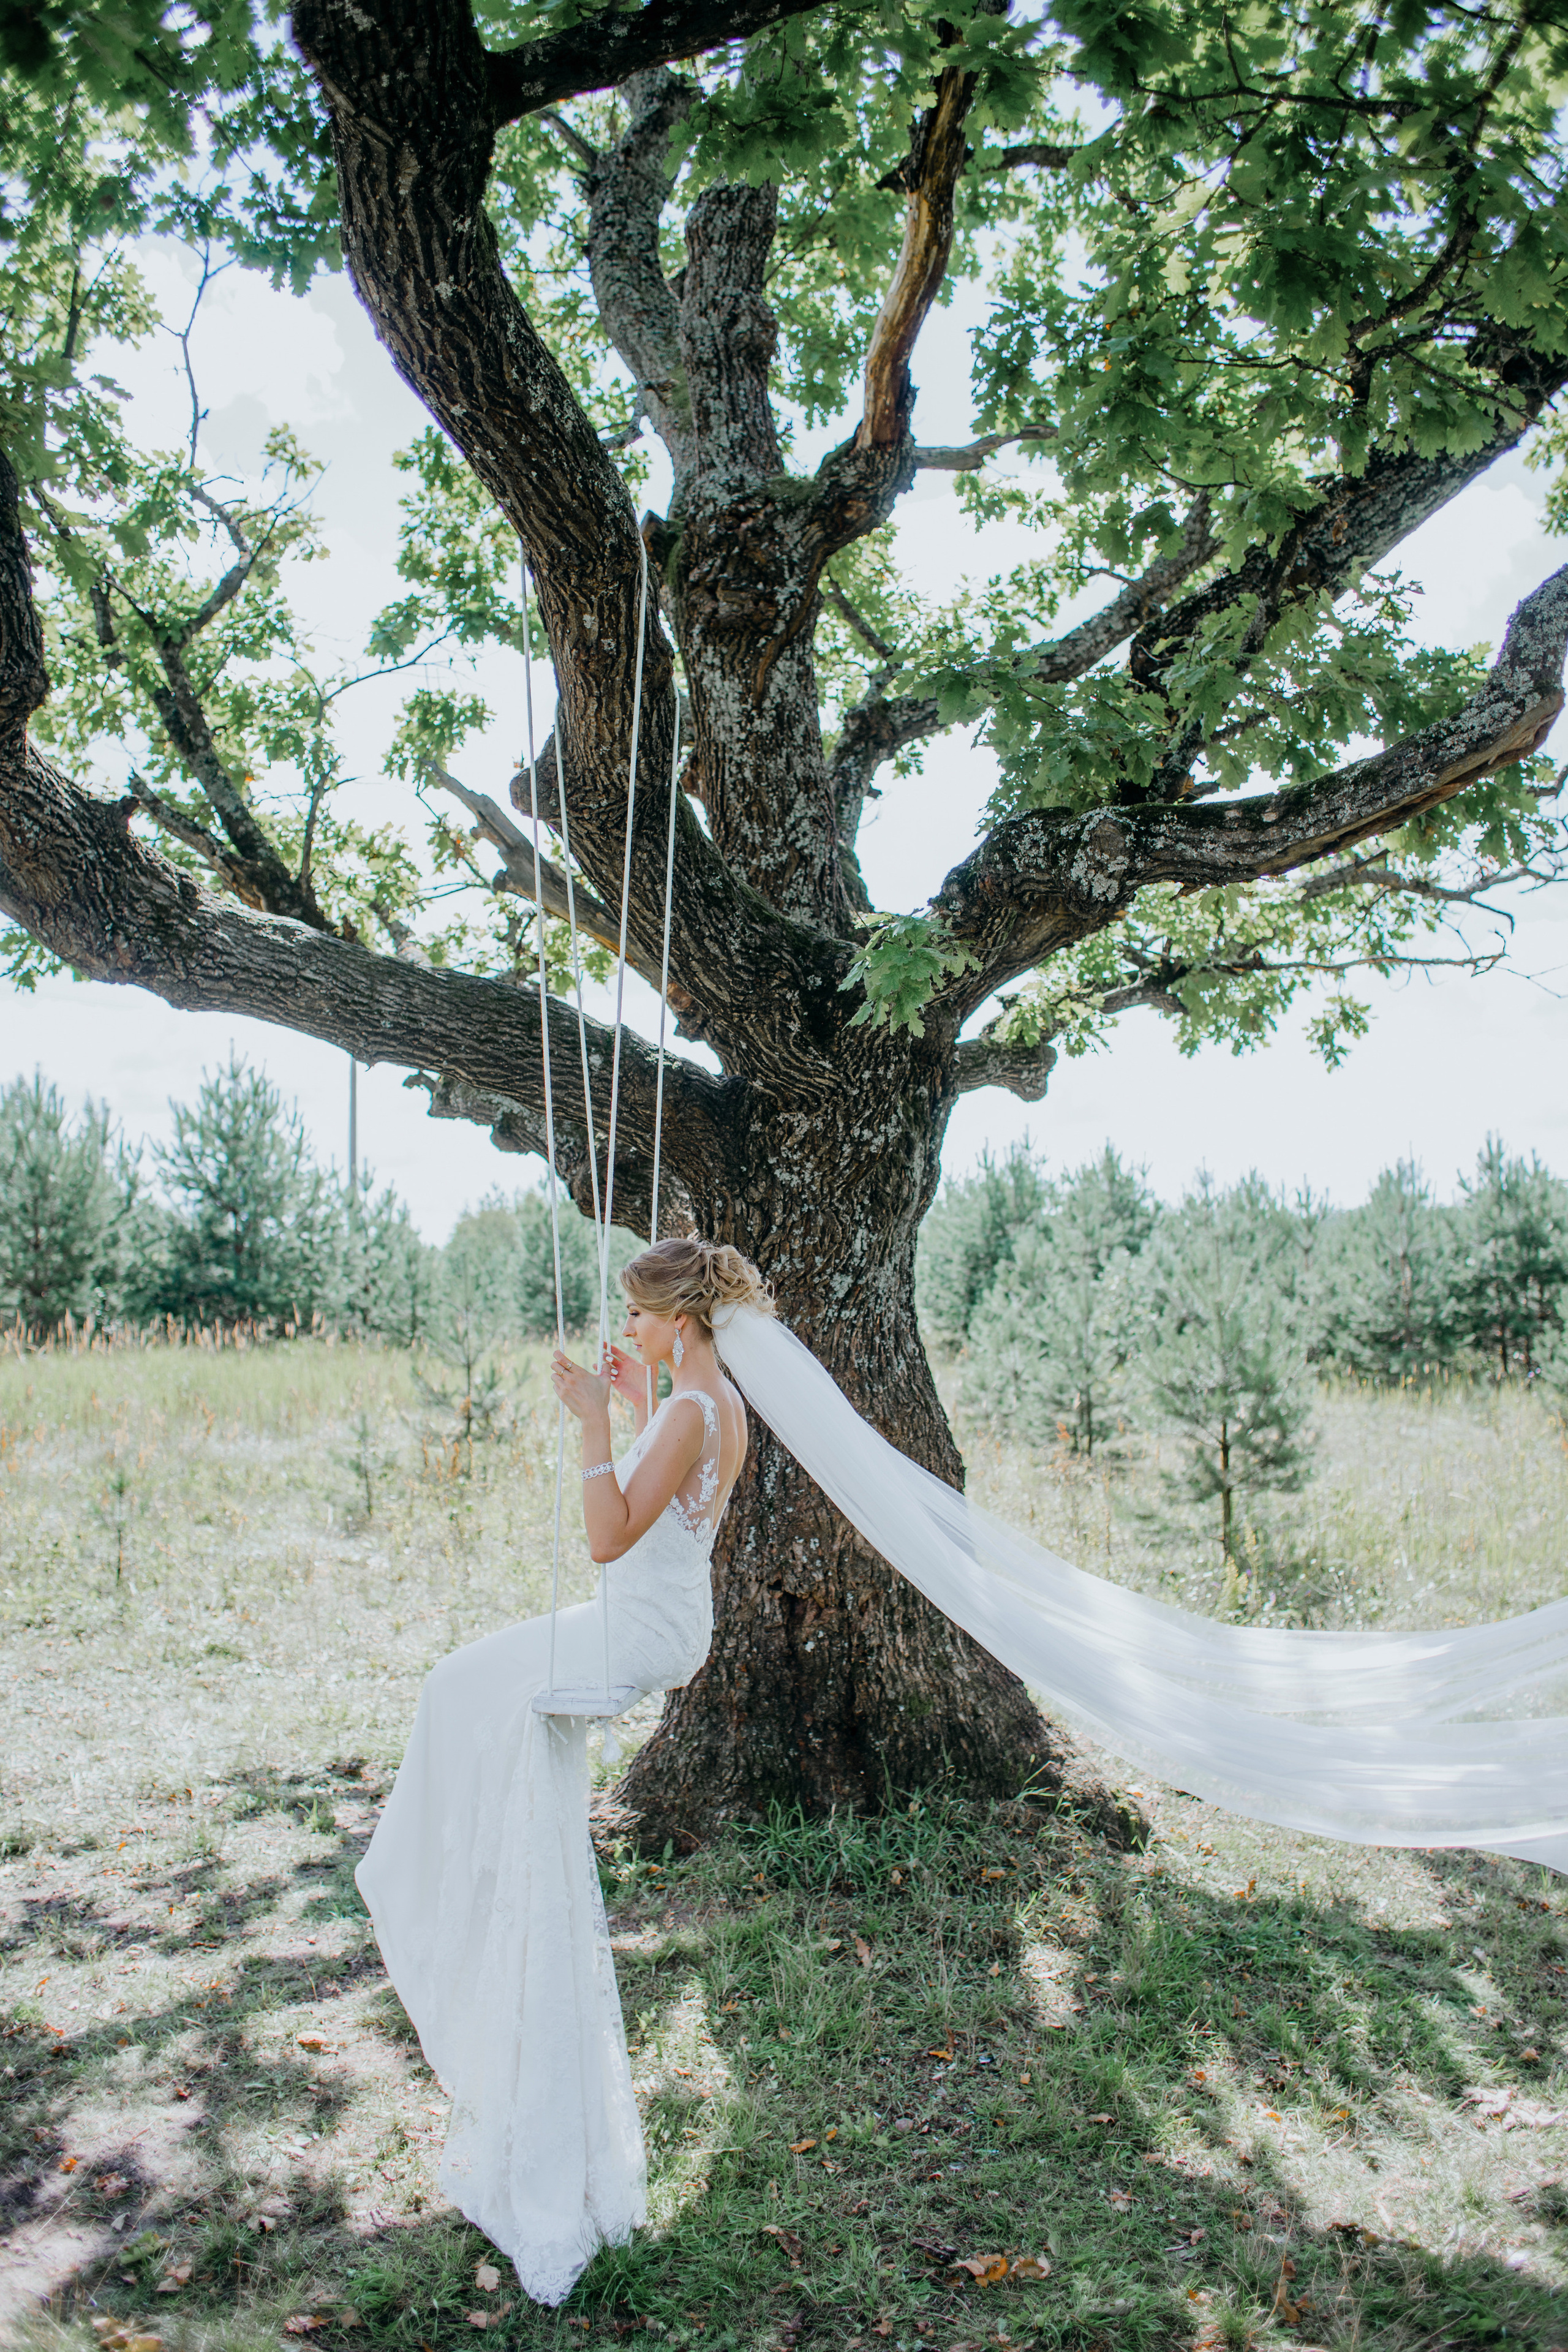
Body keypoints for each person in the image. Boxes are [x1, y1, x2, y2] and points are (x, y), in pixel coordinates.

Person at [355, 1237, 767, 2307]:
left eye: (636, 1316)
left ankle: (422, 1878)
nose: (625, 1331)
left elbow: (607, 1537)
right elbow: (670, 1513)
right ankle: (481, 1885)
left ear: (676, 1321)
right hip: (664, 1624)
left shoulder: (687, 1412)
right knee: (472, 1694)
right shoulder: (711, 1404)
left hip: (632, 1636)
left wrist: (593, 1424)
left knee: (456, 1690)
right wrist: (630, 1413)